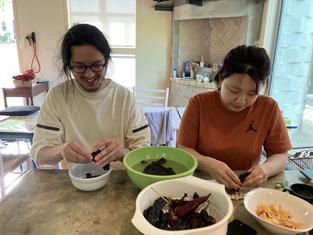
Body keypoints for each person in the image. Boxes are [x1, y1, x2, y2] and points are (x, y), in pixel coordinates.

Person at [30, 24, 150, 169]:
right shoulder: (57, 97)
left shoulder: (125, 98)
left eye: (97, 65)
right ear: (69, 65)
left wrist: (120, 153)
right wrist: (61, 150)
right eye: (80, 67)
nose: (89, 74)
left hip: (118, 183)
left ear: (106, 61)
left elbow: (145, 152)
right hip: (76, 183)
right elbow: (39, 156)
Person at [177, 45, 292, 189]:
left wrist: (265, 170)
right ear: (220, 78)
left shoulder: (268, 108)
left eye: (252, 94)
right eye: (234, 90)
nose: (241, 100)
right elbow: (184, 148)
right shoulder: (199, 103)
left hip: (245, 187)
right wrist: (210, 165)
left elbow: (280, 155)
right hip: (203, 183)